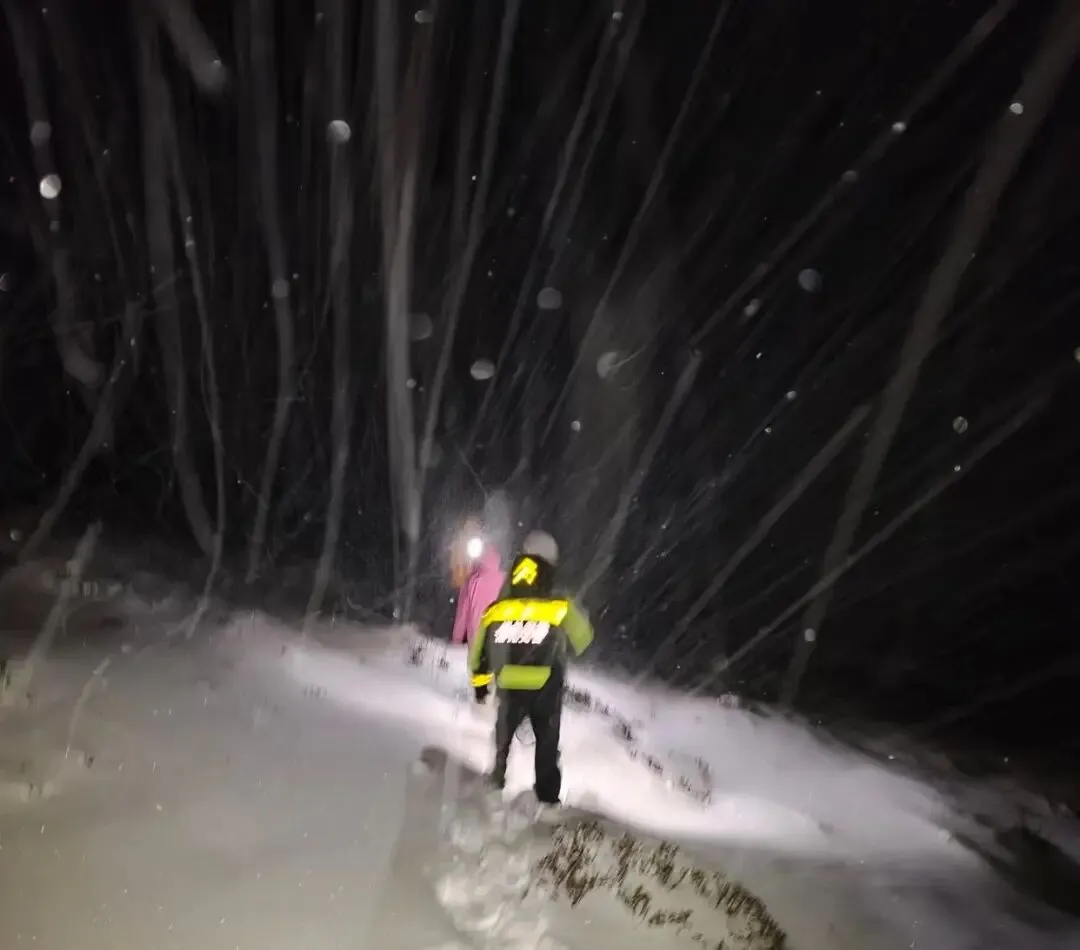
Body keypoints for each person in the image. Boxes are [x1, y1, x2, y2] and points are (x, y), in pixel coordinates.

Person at [467, 530, 594, 805]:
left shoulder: (500, 605)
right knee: (547, 748)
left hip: (510, 684)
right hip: (547, 685)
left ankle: (496, 782)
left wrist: (480, 684)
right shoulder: (559, 604)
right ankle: (547, 801)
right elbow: (584, 638)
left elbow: (480, 646)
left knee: (503, 742)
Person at [451, 534, 506, 703]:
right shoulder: (505, 579)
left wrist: (458, 636)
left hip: (478, 633)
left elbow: (463, 611)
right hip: (500, 633)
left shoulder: (472, 581)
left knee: (478, 669)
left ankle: (480, 699)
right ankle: (496, 698)